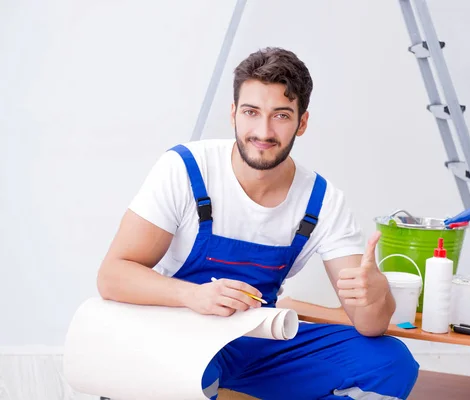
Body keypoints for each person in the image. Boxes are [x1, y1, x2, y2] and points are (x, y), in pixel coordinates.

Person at [97, 47, 419, 400]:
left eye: (281, 115)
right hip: (183, 333)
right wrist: (192, 295)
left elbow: (368, 324)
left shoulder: (323, 201)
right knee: (193, 373)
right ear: (234, 113)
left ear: (303, 122)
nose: (263, 131)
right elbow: (113, 275)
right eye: (251, 112)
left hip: (261, 339)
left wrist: (376, 296)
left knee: (390, 361)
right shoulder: (186, 169)